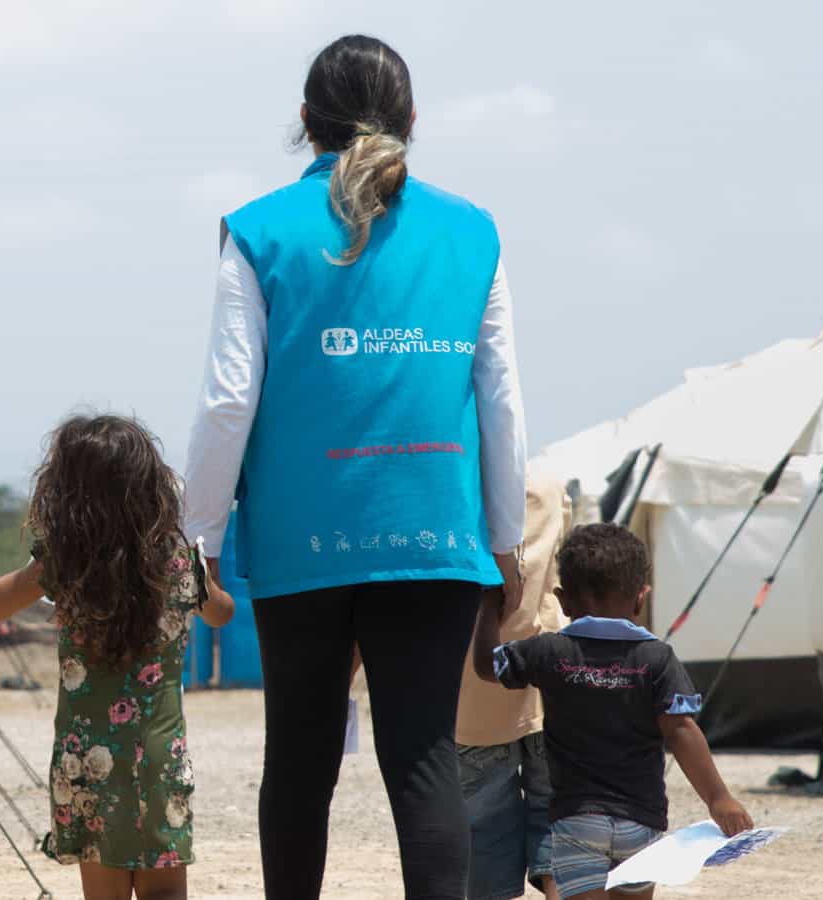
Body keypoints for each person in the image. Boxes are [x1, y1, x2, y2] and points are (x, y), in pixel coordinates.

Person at [181, 34, 528, 898]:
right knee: (423, 759)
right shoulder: (473, 232)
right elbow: (502, 398)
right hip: (437, 533)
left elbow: (230, 401)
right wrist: (507, 541)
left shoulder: (258, 232)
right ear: (413, 121)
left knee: (298, 761)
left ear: (306, 122)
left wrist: (199, 539)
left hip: (303, 541)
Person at [0, 414, 235, 900]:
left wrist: (42, 566)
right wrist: (202, 577)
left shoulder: (64, 561)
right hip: (159, 755)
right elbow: (222, 614)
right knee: (165, 891)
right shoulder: (177, 557)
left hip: (85, 757)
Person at [472, 524, 754, 899]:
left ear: (561, 600)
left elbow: (486, 666)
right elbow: (681, 730)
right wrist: (719, 799)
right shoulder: (657, 658)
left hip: (576, 821)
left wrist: (489, 604)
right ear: (641, 599)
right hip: (641, 823)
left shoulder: (548, 652)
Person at [457, 476, 573, 900]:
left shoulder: (449, 486)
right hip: (547, 679)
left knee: (484, 835)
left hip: (471, 702)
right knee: (558, 819)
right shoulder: (547, 487)